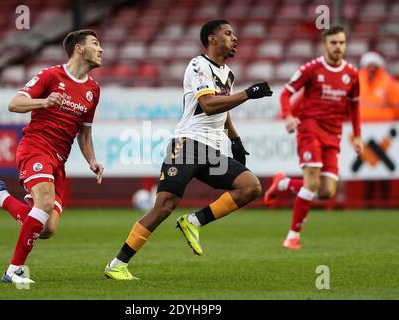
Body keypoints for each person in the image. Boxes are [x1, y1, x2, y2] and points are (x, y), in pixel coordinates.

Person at [104, 19, 273, 280]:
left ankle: (193, 222)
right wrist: (248, 94)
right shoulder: (198, 65)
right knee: (163, 207)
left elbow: (223, 108)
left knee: (250, 186)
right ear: (212, 39)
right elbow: (208, 104)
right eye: (228, 33)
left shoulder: (228, 73)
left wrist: (235, 140)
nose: (234, 38)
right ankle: (117, 264)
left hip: (211, 149)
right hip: (187, 143)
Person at [0, 29, 104, 284]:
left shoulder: (93, 90)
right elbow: (14, 103)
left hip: (59, 160)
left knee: (46, 228)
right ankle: (13, 271)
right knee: (42, 205)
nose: (101, 49)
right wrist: (44, 102)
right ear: (78, 48)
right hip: (36, 146)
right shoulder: (51, 75)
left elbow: (84, 133)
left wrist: (92, 161)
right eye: (95, 44)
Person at [263, 25, 364, 249]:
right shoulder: (311, 69)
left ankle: (284, 183)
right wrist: (288, 116)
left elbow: (355, 106)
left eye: (342, 43)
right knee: (312, 182)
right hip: (310, 129)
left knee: (327, 192)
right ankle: (292, 236)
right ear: (325, 45)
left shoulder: (352, 74)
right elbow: (286, 93)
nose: (338, 47)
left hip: (333, 135)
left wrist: (357, 136)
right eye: (334, 43)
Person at [358, 51, 399, 121]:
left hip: (384, 125)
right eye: (368, 66)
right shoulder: (358, 82)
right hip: (362, 123)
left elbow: (396, 106)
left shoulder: (389, 83)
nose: (370, 69)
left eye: (373, 66)